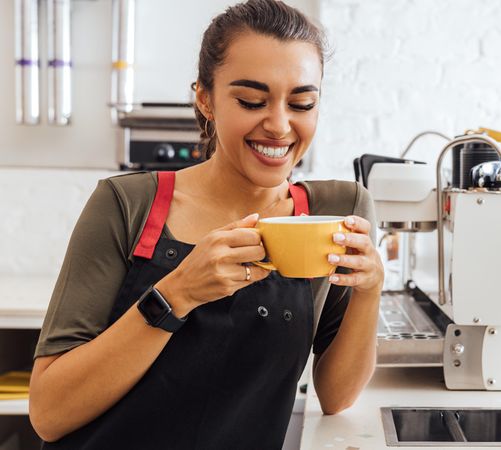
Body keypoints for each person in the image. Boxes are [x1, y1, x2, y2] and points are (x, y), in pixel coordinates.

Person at [28, 1, 384, 448]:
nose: (279, 125)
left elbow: (336, 396)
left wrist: (370, 290)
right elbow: (49, 413)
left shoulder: (339, 209)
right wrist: (177, 295)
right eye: (252, 100)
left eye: (301, 102)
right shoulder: (127, 204)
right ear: (204, 98)